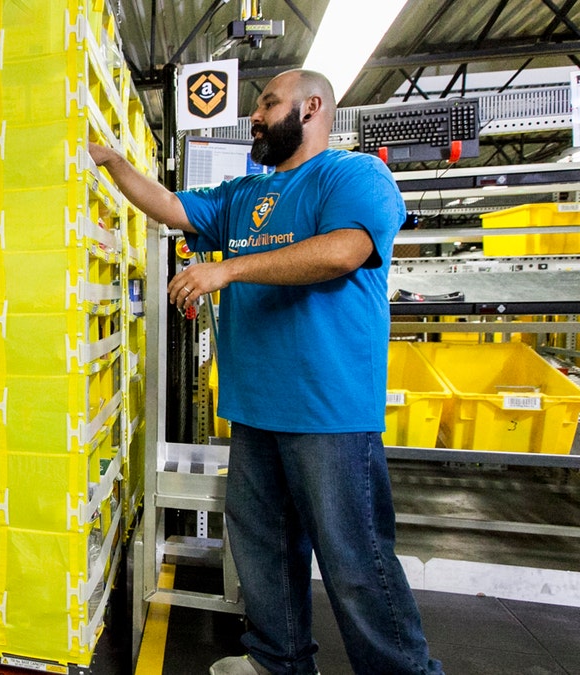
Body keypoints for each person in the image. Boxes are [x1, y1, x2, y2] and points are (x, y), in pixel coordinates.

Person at [89, 69, 442, 675]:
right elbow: (173, 207)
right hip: (255, 408)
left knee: (355, 563)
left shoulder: (355, 176)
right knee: (264, 550)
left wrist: (228, 270)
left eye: (267, 103)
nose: (254, 115)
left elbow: (344, 250)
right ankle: (278, 663)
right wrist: (111, 160)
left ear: (311, 109)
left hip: (327, 411)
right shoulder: (244, 196)